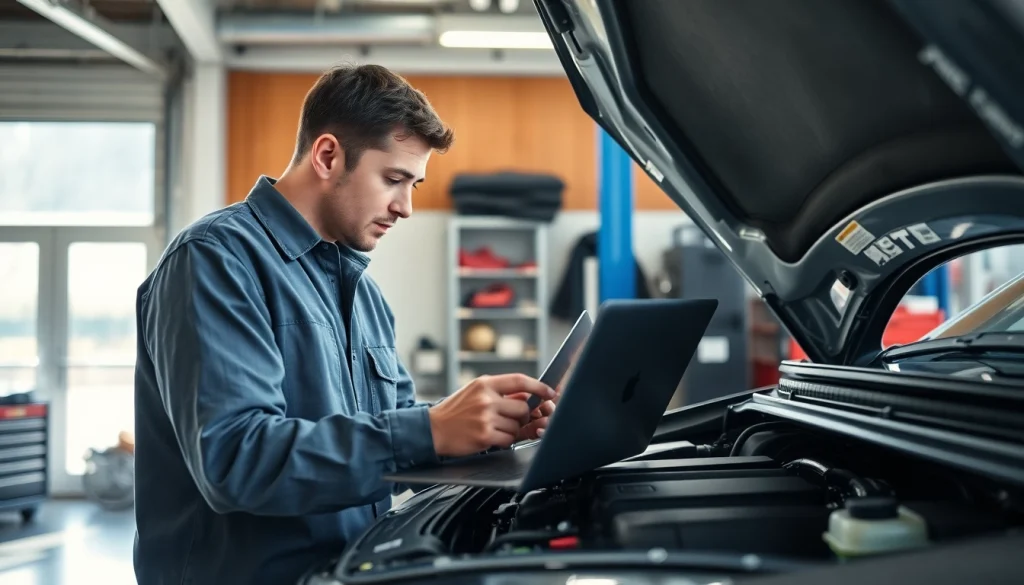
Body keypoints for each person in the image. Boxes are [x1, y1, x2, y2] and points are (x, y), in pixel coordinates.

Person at [132, 64, 557, 585]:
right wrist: (431, 430)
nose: (405, 207)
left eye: (414, 184)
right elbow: (235, 460)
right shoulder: (216, 261)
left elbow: (401, 439)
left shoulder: (364, 295)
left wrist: (492, 433)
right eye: (394, 179)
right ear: (328, 155)